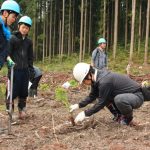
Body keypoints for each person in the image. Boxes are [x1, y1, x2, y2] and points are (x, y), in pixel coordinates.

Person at [70, 63, 144, 126]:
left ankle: (128, 119)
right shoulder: (96, 79)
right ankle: (119, 115)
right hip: (127, 95)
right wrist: (79, 105)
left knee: (118, 99)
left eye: (83, 81)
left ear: (89, 75)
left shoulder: (104, 82)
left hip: (137, 96)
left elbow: (102, 103)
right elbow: (92, 96)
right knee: (105, 96)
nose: (84, 83)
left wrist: (85, 114)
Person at [6, 16, 34, 120]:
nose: (25, 29)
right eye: (23, 27)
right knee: (12, 91)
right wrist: (9, 63)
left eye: (27, 28)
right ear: (19, 26)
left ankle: (21, 110)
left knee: (23, 92)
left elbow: (30, 57)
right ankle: (10, 111)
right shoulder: (12, 38)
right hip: (14, 70)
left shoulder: (29, 42)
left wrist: (31, 70)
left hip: (25, 70)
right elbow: (7, 53)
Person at [0, 0, 20, 70]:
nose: (14, 20)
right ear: (5, 13)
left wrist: (7, 57)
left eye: (15, 18)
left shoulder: (6, 30)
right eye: (13, 16)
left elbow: (3, 48)